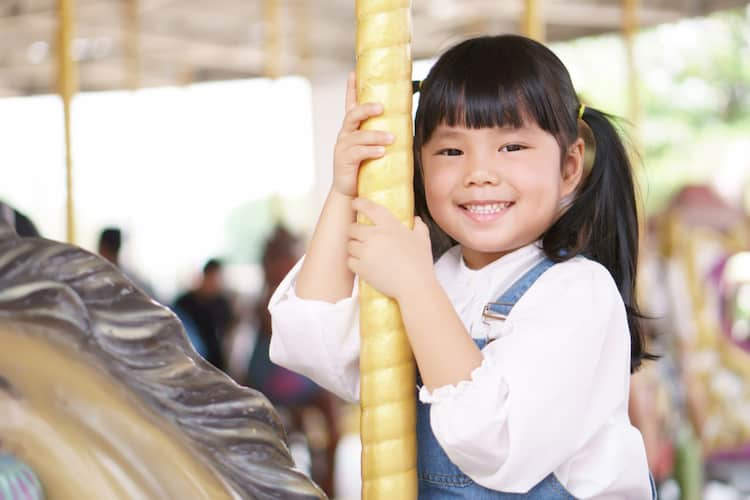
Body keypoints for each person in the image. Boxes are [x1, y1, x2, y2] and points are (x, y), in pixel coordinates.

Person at [269, 35, 655, 498]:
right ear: (420, 167)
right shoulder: (435, 276)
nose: (479, 172)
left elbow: (495, 445)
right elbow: (314, 342)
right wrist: (345, 190)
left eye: (512, 147)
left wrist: (415, 288)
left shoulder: (576, 292)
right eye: (451, 152)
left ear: (569, 167)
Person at [174, 258, 234, 371]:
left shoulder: (222, 303)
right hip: (189, 361)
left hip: (215, 364)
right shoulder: (184, 302)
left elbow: (228, 331)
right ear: (205, 276)